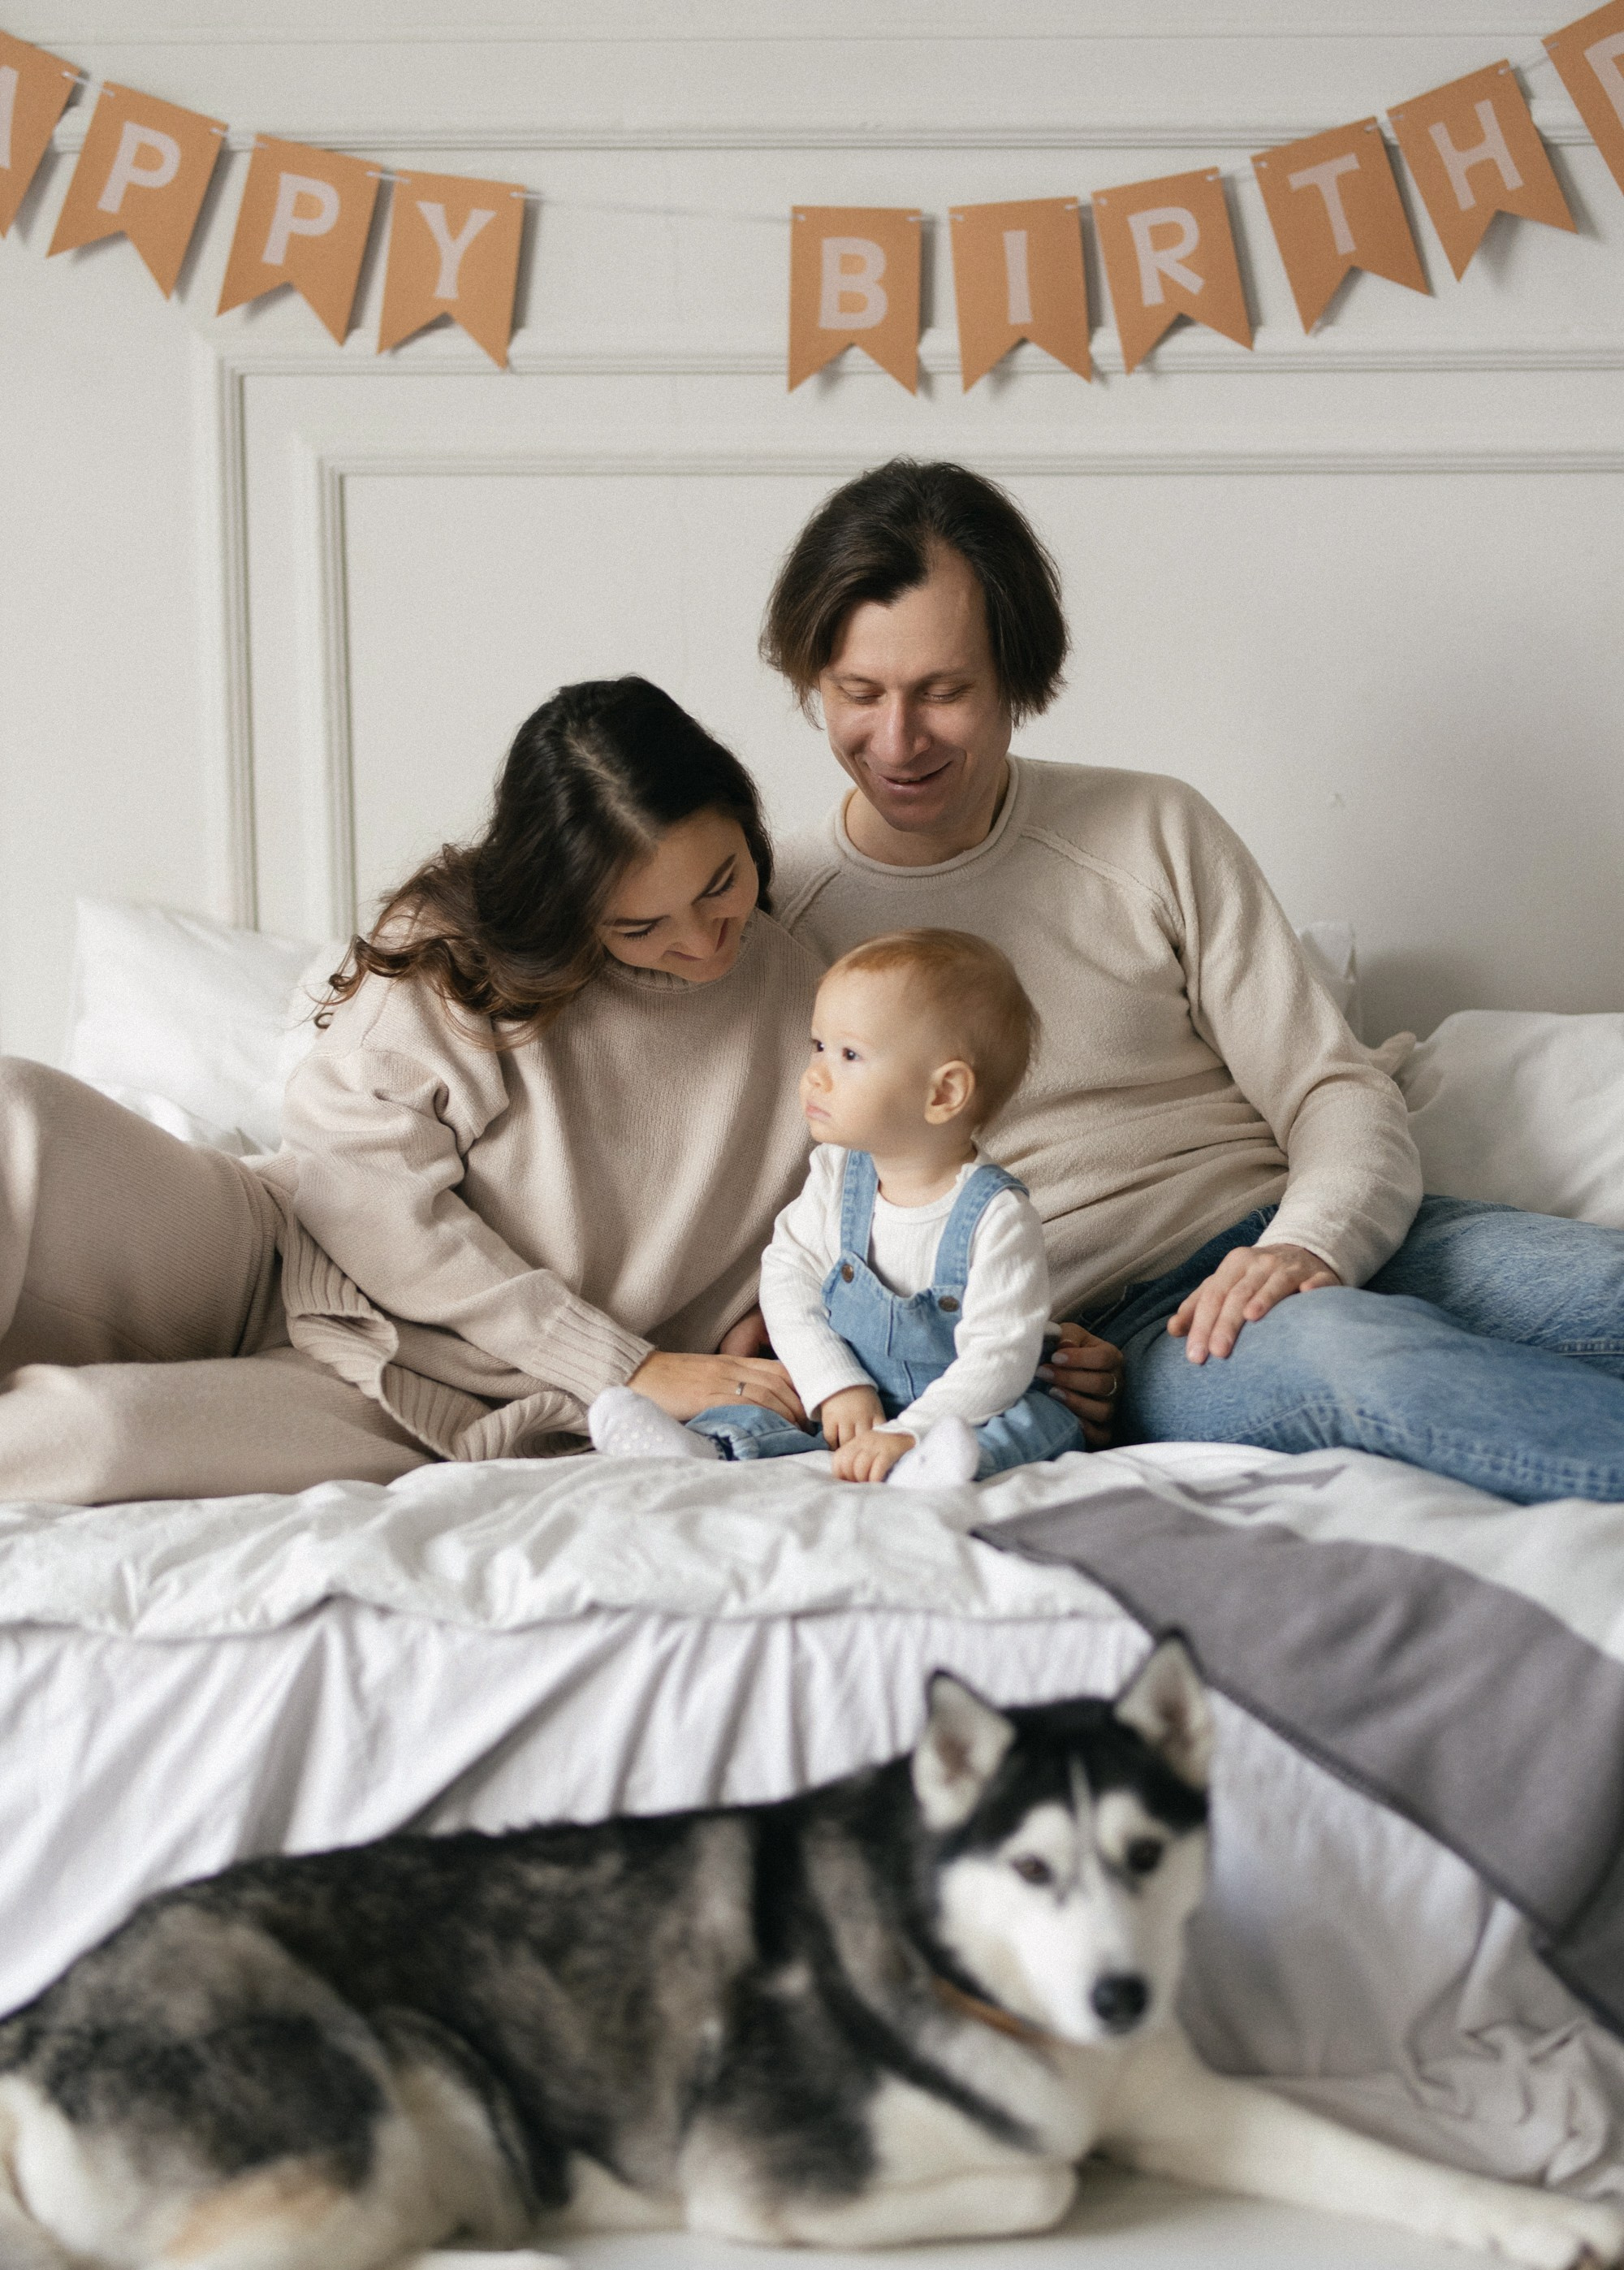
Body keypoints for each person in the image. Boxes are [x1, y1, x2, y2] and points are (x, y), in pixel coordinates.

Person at [758, 458, 1624, 1506]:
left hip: (1304, 1226)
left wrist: (1307, 1242)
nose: (896, 741)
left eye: (943, 692)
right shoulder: (775, 919)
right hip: (1134, 1337)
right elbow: (795, 1246)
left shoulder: (1147, 829)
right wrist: (1010, 1356)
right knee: (1356, 1359)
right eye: (857, 694)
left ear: (1016, 681)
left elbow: (1332, 1089)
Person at [0, 677, 819, 1502]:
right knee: (12, 1109)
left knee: (89, 1438)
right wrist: (624, 1363)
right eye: (637, 927)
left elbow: (858, 1213)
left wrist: (774, 1318)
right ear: (564, 907)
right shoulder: (458, 949)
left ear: (744, 822)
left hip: (433, 1403)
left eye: (720, 882)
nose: (700, 938)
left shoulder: (816, 1006)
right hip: (272, 1251)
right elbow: (362, 1195)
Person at [590, 928, 1085, 1486]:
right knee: (774, 1400)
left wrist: (910, 1431)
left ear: (943, 1094)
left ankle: (935, 1467)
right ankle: (707, 1446)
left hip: (967, 1402)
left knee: (1038, 1422)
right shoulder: (836, 1173)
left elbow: (998, 1359)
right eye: (817, 1046)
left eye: (849, 1054)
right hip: (856, 1392)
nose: (815, 1075)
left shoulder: (996, 1216)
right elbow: (787, 1277)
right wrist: (837, 1384)